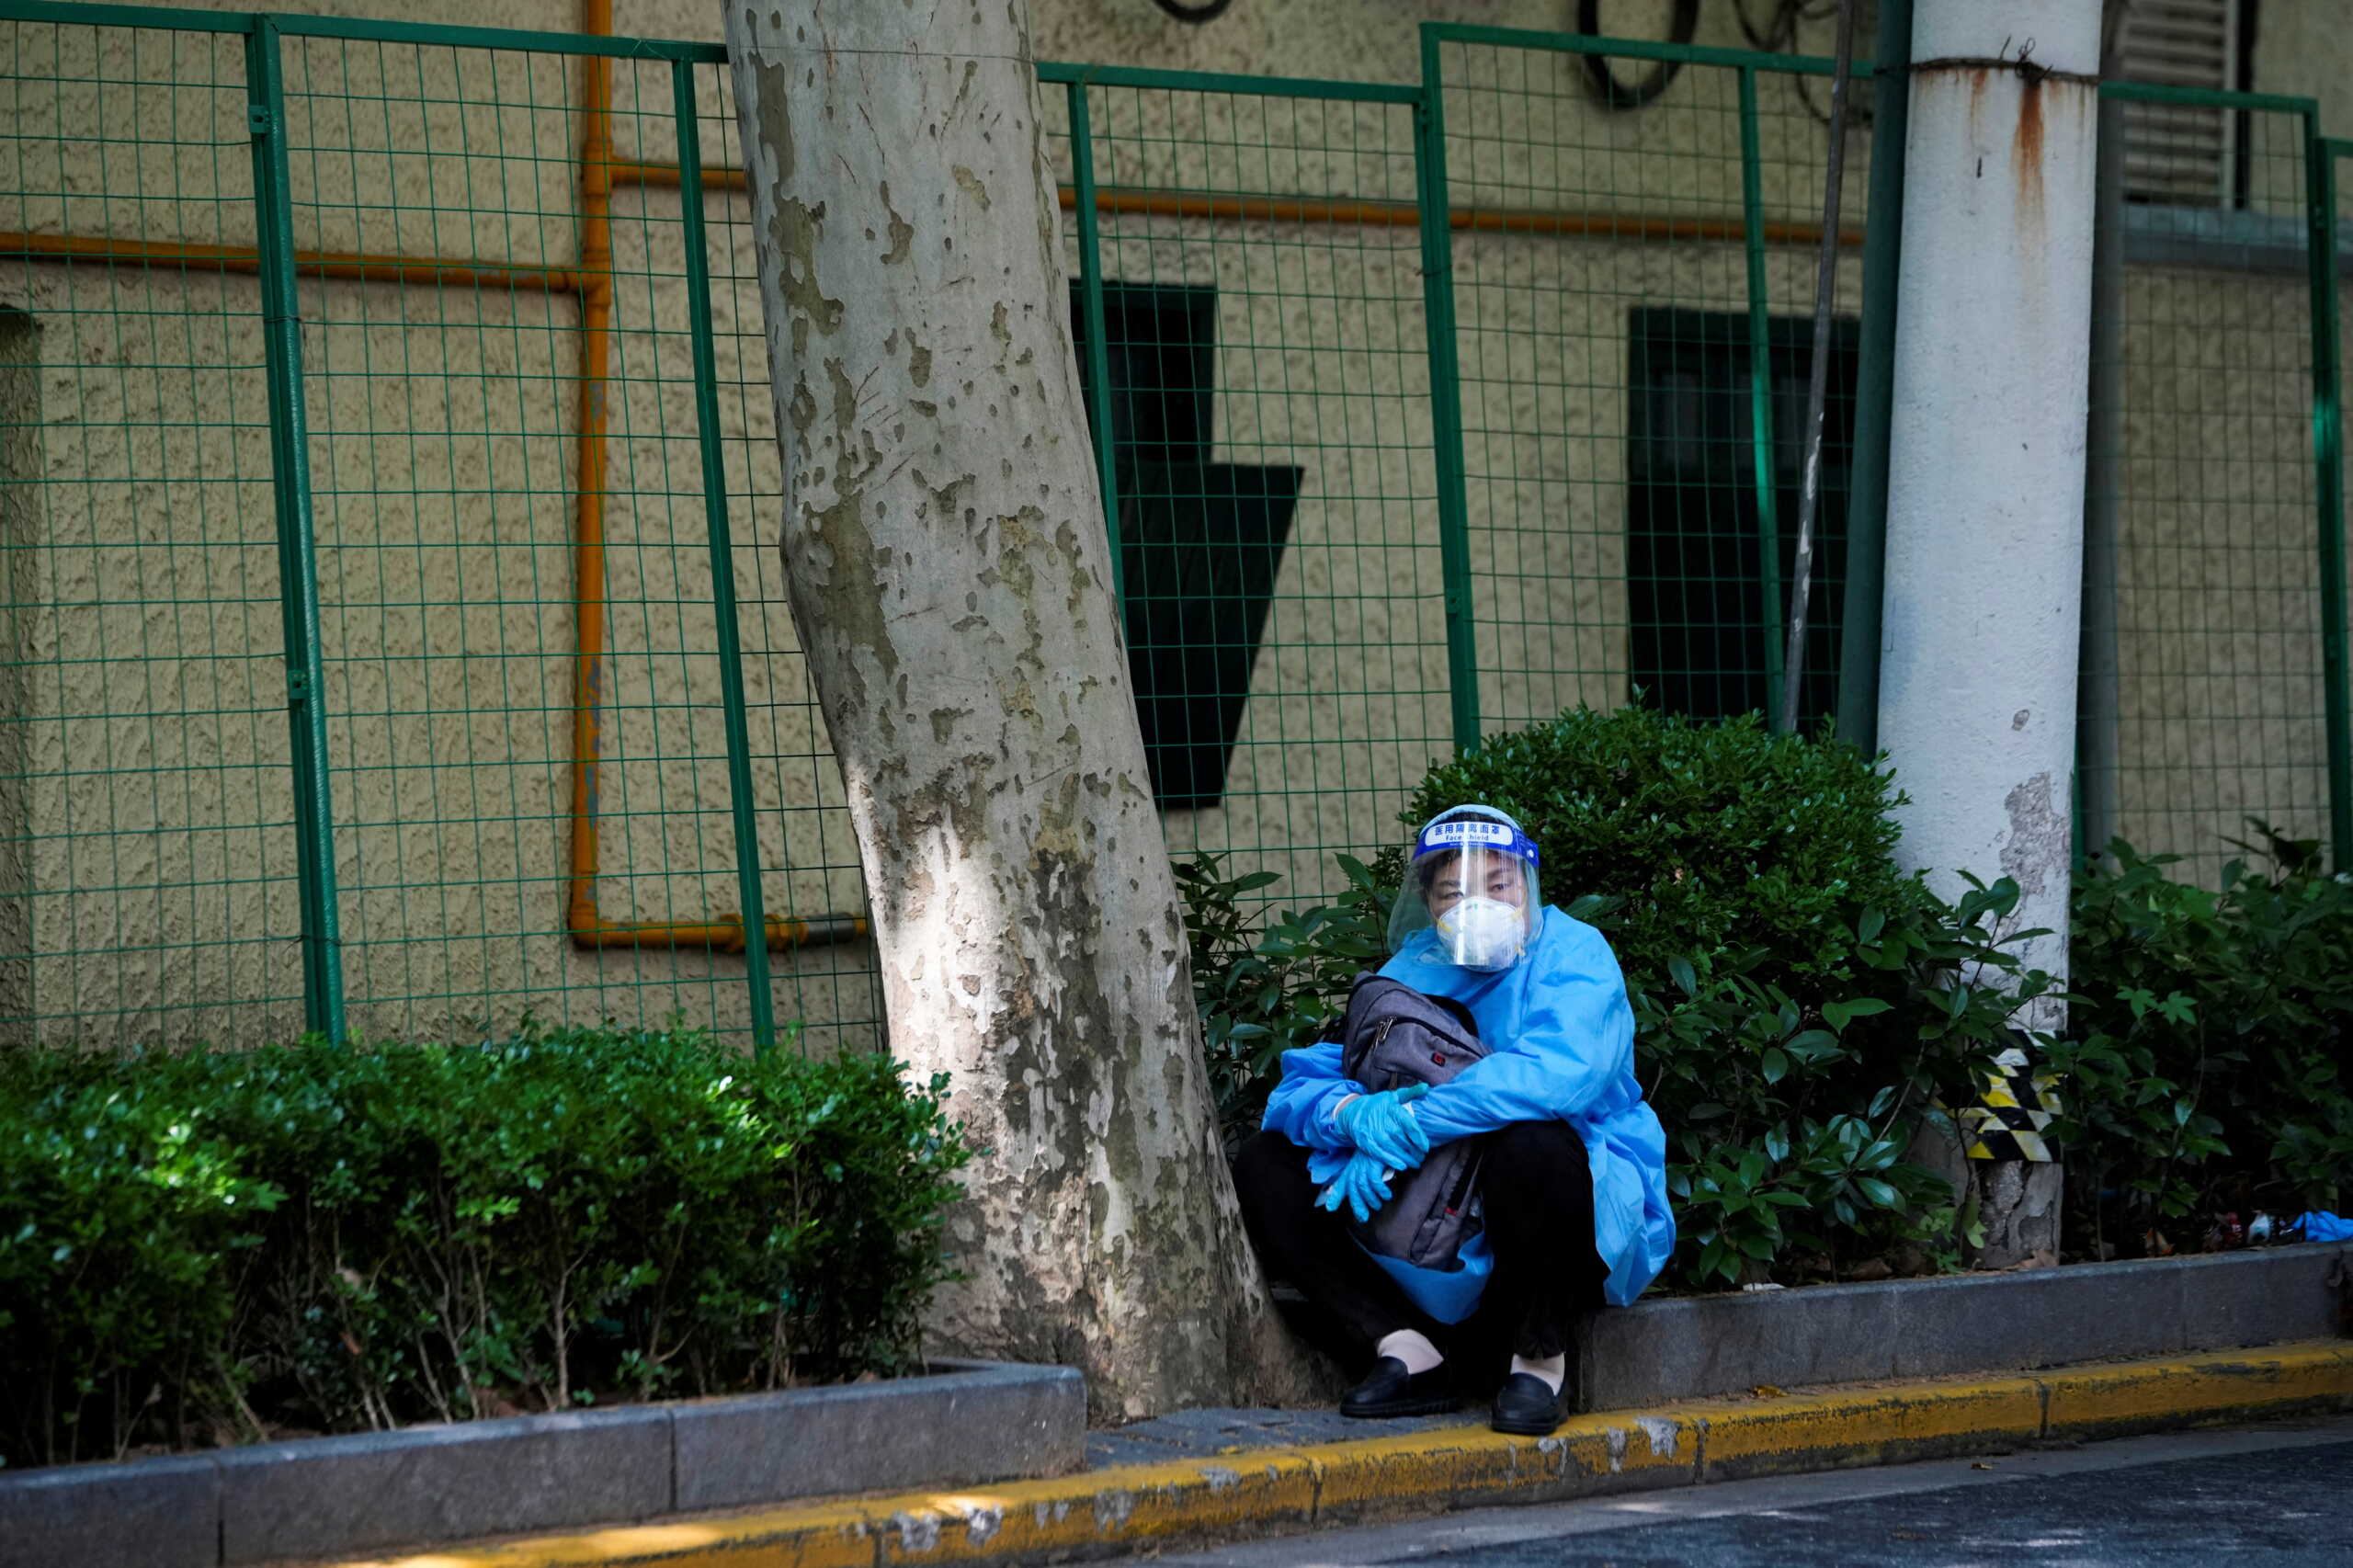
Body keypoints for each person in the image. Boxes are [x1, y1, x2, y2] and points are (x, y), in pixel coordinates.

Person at [1233, 804, 1675, 1435]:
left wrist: (1420, 1120)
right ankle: (1409, 1351)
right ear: (1428, 906)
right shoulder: (1410, 968)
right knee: (1265, 1164)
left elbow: (1559, 1076)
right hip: (1428, 1214)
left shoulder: (1575, 952)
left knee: (1535, 1143)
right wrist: (1352, 1114)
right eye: (1453, 891)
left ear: (1528, 885)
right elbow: (1307, 1080)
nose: (1479, 903)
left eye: (1498, 884)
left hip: (1549, 1214)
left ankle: (1538, 1361)